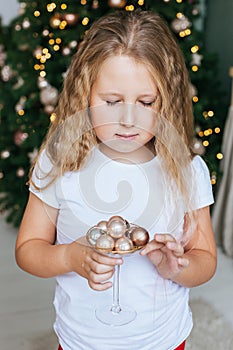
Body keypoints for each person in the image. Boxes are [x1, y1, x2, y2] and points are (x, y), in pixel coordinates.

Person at [15, 9, 217, 350]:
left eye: (146, 102)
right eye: (111, 102)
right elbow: (28, 250)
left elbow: (205, 260)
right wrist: (68, 258)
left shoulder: (186, 169)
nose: (127, 119)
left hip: (163, 341)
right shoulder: (61, 161)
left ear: (167, 102)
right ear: (85, 95)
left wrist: (176, 268)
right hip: (81, 342)